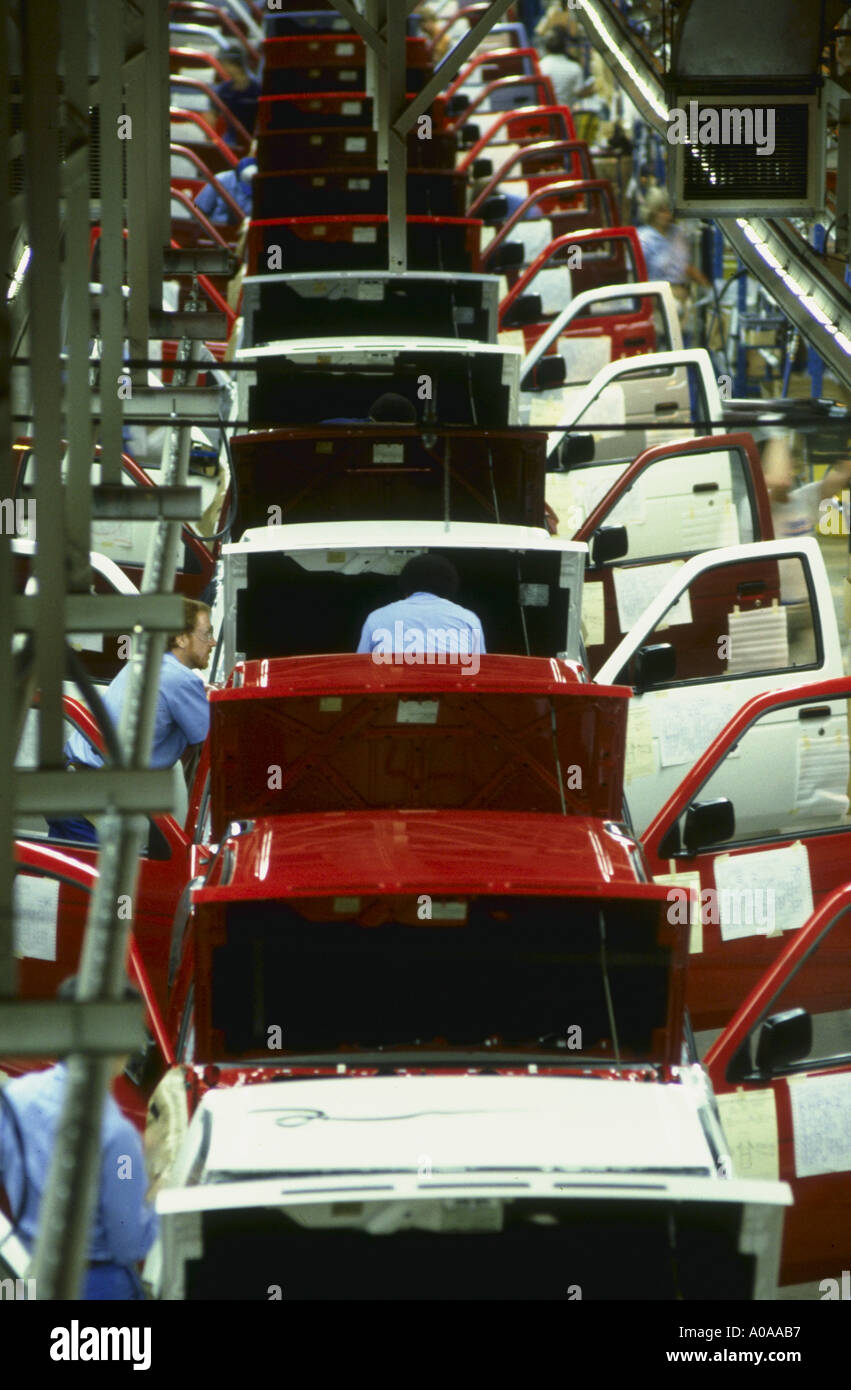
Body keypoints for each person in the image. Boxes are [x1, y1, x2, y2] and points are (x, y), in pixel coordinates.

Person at [0, 978, 158, 1299]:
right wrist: (158, 1198)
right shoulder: (117, 1138)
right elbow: (129, 1243)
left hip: (25, 1275)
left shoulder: (15, 1099)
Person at [47, 599, 214, 844]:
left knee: (66, 874)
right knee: (101, 881)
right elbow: (214, 740)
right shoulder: (180, 680)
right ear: (180, 638)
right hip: (90, 804)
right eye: (206, 633)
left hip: (65, 784)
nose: (212, 642)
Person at [357, 554, 486, 662]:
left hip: (392, 690)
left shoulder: (377, 618)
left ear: (405, 585)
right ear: (450, 588)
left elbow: (360, 668)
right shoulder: (469, 619)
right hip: (451, 690)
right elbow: (479, 669)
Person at [637, 188, 711, 316]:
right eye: (662, 210)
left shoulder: (678, 234)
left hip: (681, 299)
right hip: (655, 303)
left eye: (669, 210)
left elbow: (685, 267)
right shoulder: (643, 239)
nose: (667, 215)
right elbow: (637, 279)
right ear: (652, 212)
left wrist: (709, 288)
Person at [212, 44, 260, 147]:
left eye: (225, 64)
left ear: (235, 66)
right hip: (231, 138)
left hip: (254, 138)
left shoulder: (257, 89)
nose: (223, 68)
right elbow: (212, 116)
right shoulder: (223, 90)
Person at [194, 155, 257, 225]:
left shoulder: (263, 189)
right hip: (216, 228)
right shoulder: (220, 180)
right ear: (238, 177)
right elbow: (199, 209)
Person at [539, 30, 593, 110]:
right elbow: (579, 92)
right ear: (565, 48)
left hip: (544, 115)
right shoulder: (574, 68)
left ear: (546, 48)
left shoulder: (539, 66)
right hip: (566, 115)